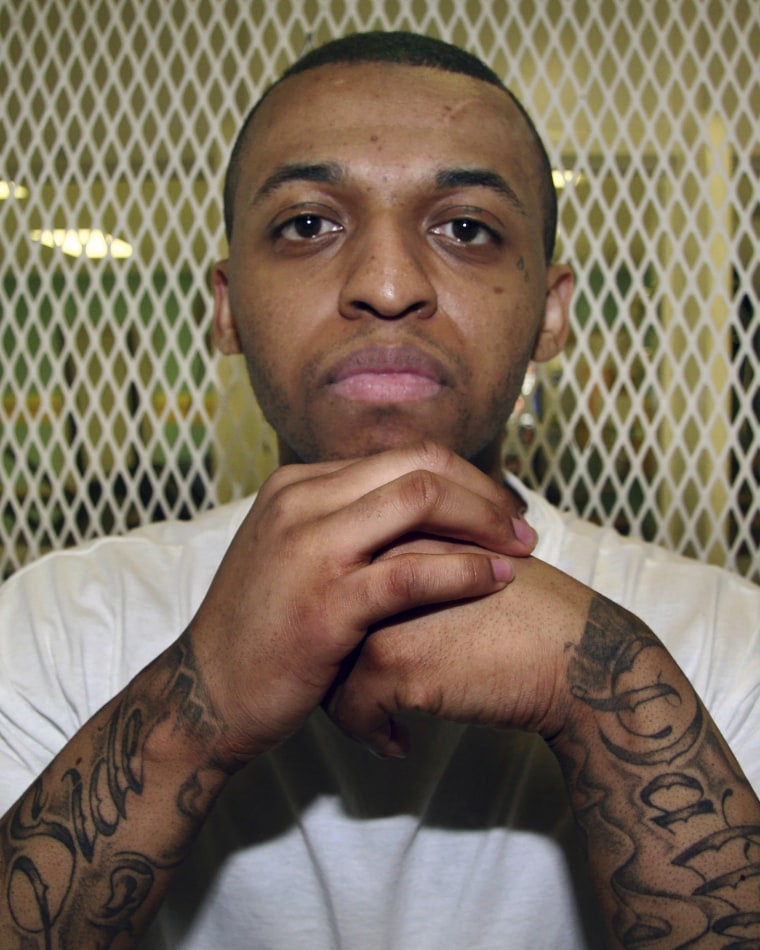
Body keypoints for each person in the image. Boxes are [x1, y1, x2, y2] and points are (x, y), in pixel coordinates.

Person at [1, 30, 758, 949]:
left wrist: (606, 687)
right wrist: (189, 710)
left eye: (467, 228)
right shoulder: (59, 618)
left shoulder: (723, 637)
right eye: (308, 224)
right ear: (227, 306)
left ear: (551, 314)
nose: (388, 285)